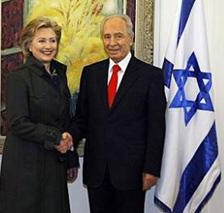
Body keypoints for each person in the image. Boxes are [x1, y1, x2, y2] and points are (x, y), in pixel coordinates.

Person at [69, 14, 166, 213]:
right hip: (97, 172)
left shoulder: (151, 76)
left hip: (132, 173)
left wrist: (152, 169)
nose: (112, 43)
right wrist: (68, 137)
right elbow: (82, 119)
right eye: (107, 37)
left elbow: (156, 127)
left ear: (130, 38)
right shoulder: (91, 74)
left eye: (118, 36)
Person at [0, 17, 79, 213]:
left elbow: (64, 118)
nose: (48, 46)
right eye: (41, 40)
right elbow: (18, 123)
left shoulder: (59, 74)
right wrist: (55, 137)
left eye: (52, 40)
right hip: (25, 166)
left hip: (54, 164)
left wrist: (70, 158)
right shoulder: (18, 77)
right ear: (29, 45)